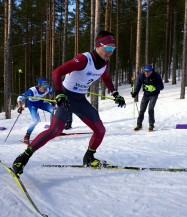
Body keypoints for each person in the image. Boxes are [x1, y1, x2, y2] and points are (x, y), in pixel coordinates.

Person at [12, 30, 125, 176]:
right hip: (66, 97)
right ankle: (22, 158)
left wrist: (115, 93)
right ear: (98, 46)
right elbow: (57, 72)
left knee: (100, 130)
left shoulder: (104, 64)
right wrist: (59, 93)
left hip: (80, 100)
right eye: (108, 48)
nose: (110, 52)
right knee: (55, 130)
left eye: (113, 49)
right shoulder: (84, 59)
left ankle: (89, 158)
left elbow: (106, 79)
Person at [17, 77, 54, 144]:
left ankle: (52, 129)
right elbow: (19, 98)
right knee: (36, 120)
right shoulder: (32, 91)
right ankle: (27, 135)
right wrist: (20, 107)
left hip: (40, 102)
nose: (46, 87)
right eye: (45, 86)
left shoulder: (48, 89)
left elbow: (51, 92)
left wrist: (52, 100)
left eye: (47, 85)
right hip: (32, 104)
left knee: (52, 110)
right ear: (39, 85)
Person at [131, 65, 164, 132]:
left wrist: (155, 84)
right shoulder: (142, 76)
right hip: (146, 94)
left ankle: (151, 125)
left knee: (150, 109)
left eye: (148, 72)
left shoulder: (156, 76)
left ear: (151, 71)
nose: (146, 73)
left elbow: (161, 87)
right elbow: (138, 85)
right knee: (142, 109)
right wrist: (135, 92)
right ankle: (139, 125)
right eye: (145, 71)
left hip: (154, 95)